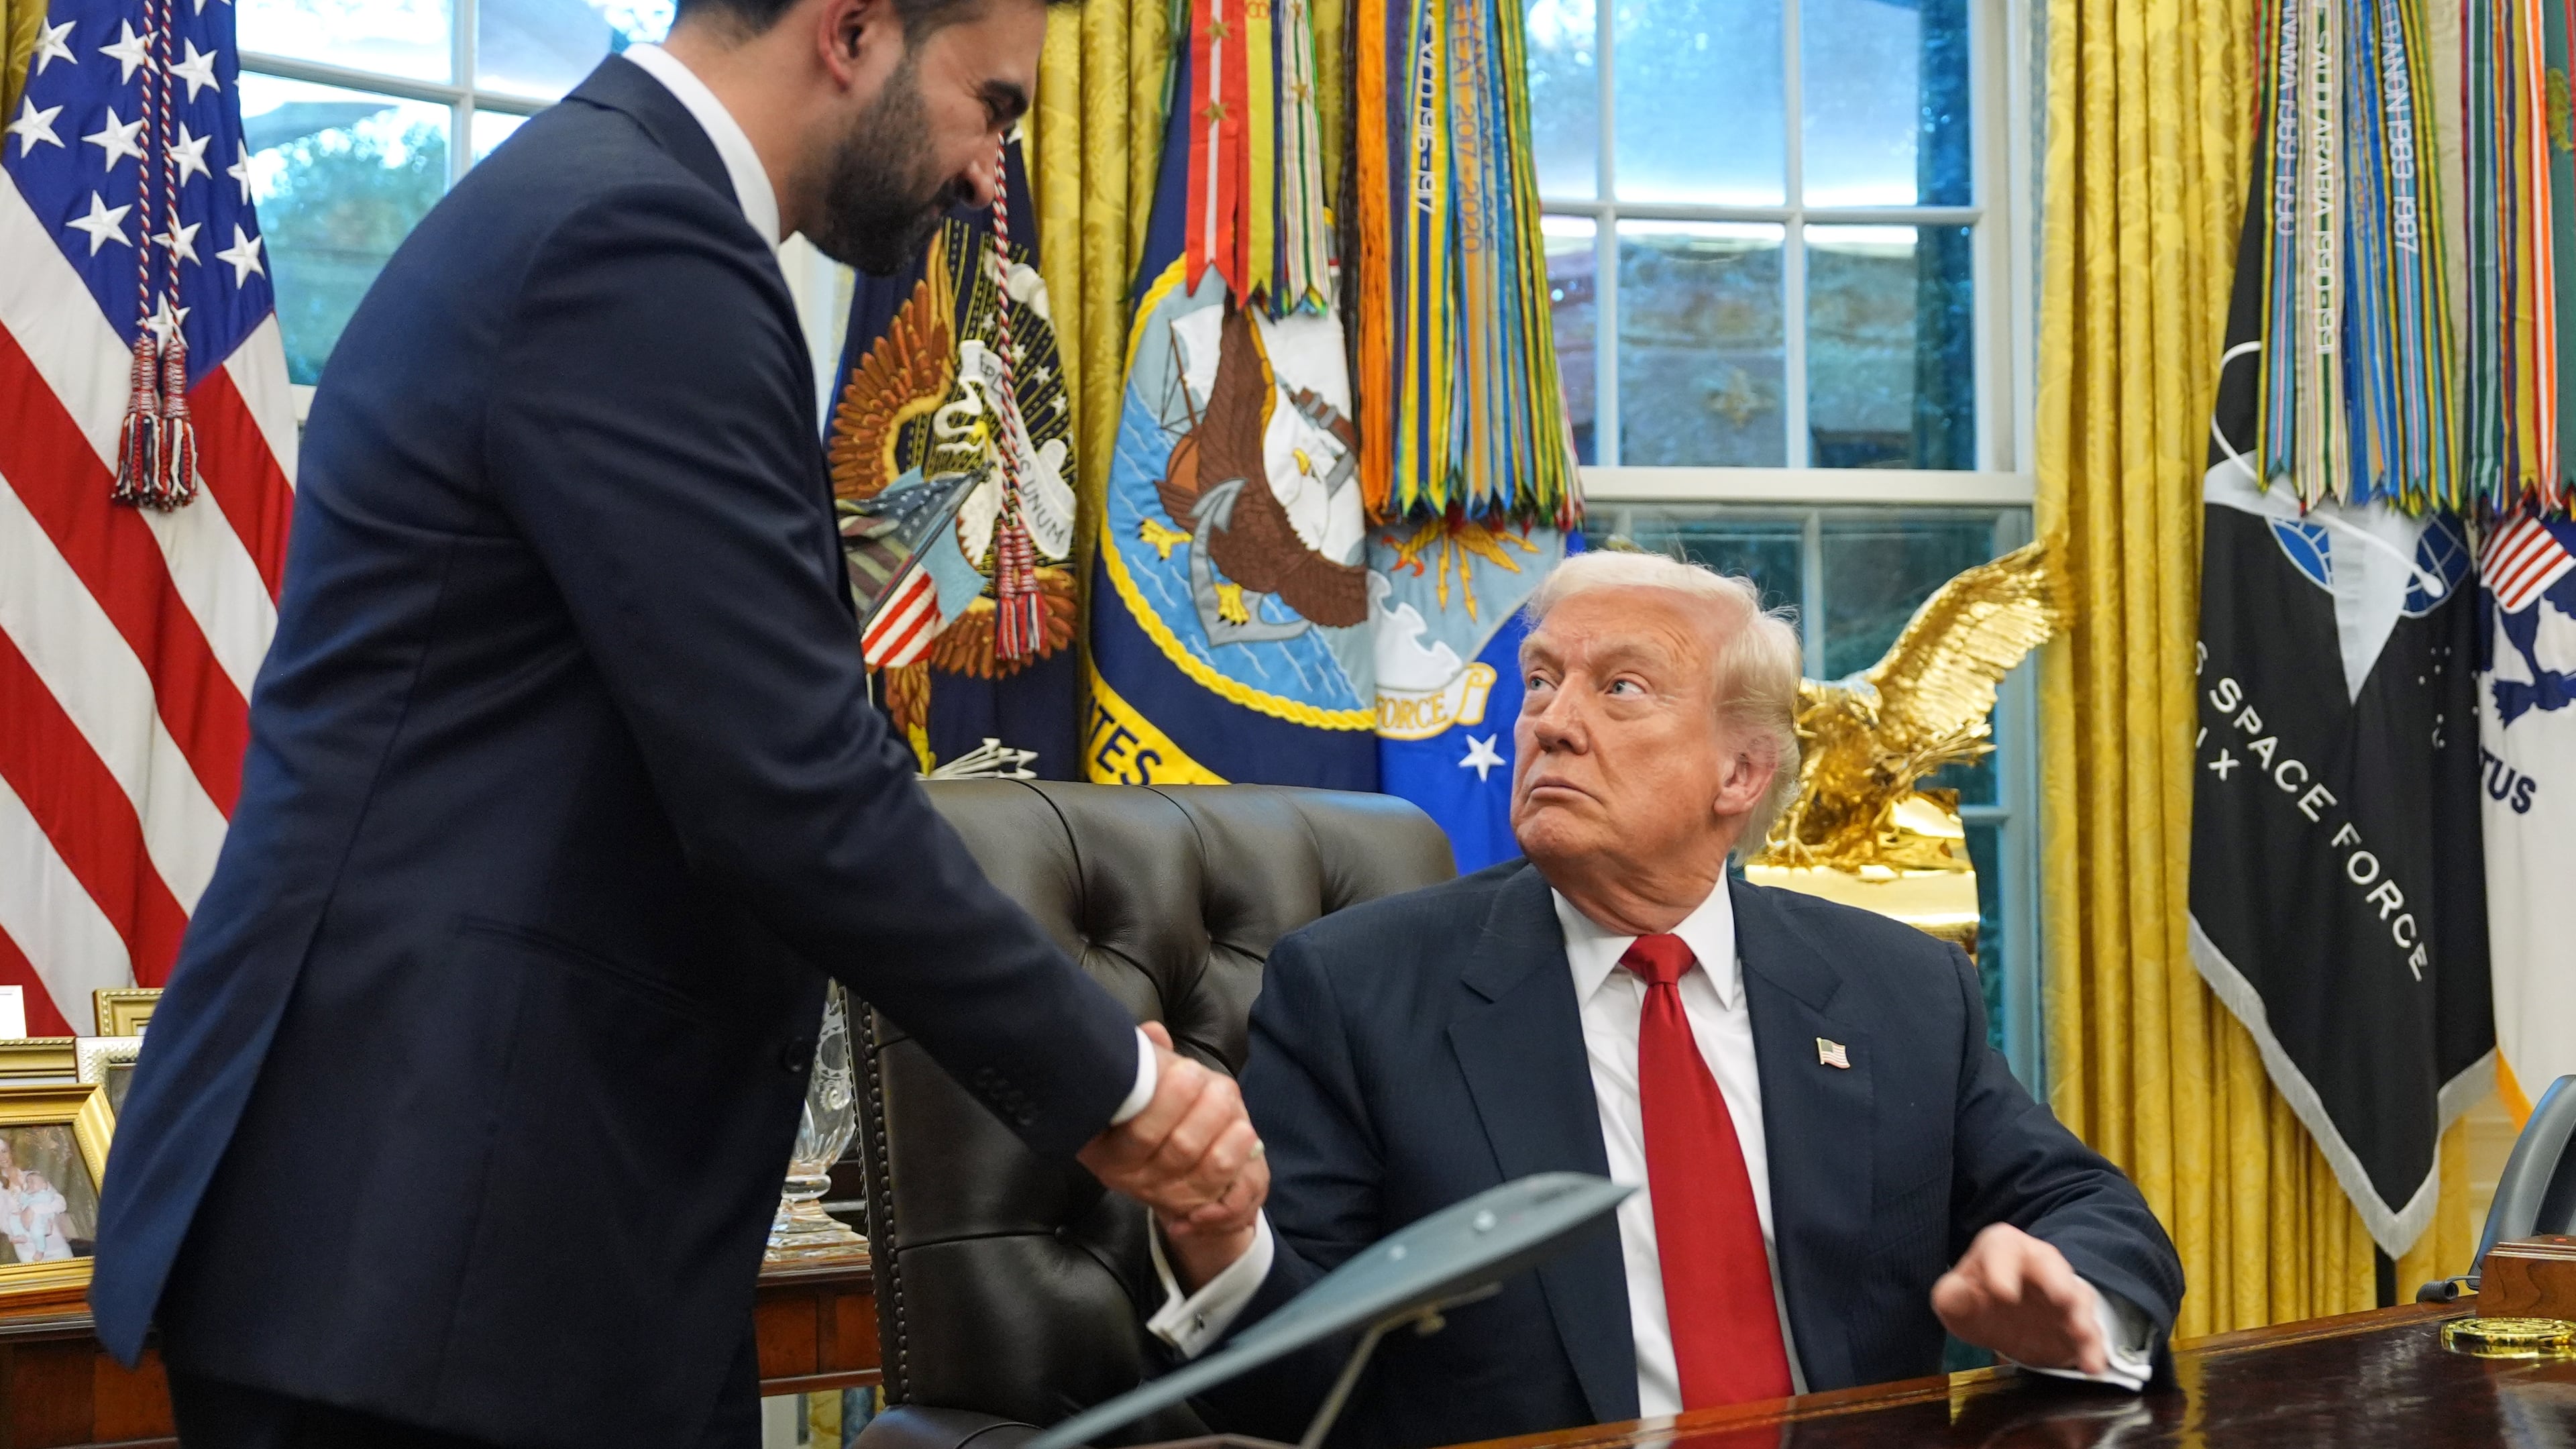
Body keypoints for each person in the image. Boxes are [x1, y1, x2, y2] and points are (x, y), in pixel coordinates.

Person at [88, 0, 1265, 1444]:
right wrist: (1121, 1086)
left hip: (501, 1242)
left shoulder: (607, 209)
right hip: (427, 1247)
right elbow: (794, 793)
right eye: (994, 106)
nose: (985, 173)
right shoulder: (632, 242)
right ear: (853, 31)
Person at [1144, 551, 2184, 1449]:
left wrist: (2072, 1302)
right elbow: (1292, 1391)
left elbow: (2091, 1210)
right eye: (1540, 682)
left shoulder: (1899, 989)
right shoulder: (1358, 987)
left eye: (1621, 689)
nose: (1549, 722)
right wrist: (1220, 1237)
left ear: (1740, 774)